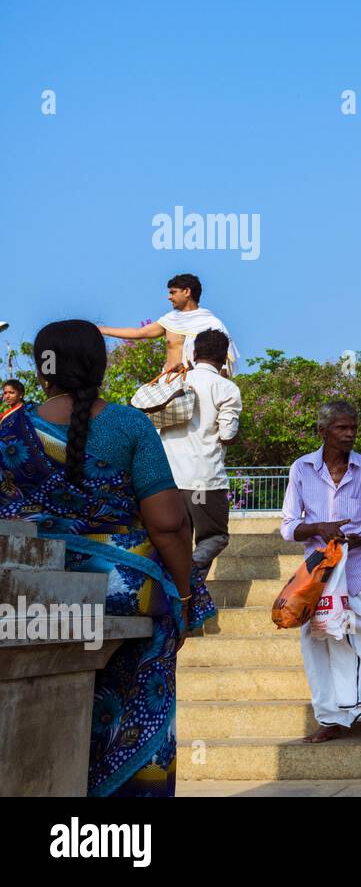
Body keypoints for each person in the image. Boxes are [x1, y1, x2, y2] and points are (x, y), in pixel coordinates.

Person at [0, 320, 211, 796]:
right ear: (98, 366)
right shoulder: (127, 424)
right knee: (142, 679)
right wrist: (183, 594)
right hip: (123, 589)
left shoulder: (9, 430)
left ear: (42, 371)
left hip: (32, 591)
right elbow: (169, 523)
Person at [280, 401, 361, 745]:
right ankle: (332, 718)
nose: (349, 435)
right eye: (341, 428)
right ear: (323, 432)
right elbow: (288, 526)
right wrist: (318, 527)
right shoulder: (301, 469)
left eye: (353, 428)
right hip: (321, 575)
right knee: (321, 643)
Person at [160, 329, 242, 571]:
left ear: (194, 354)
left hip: (169, 480)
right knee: (214, 537)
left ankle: (180, 597)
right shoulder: (226, 389)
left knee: (178, 540)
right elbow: (227, 435)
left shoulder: (173, 381)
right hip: (205, 481)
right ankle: (191, 573)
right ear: (224, 356)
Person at [98, 273, 239, 375]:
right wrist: (100, 329)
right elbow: (138, 333)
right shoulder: (170, 320)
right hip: (168, 384)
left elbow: (226, 360)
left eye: (173, 292)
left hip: (198, 386)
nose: (169, 297)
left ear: (187, 291)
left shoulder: (212, 323)